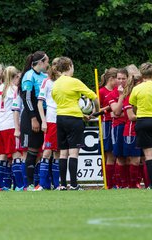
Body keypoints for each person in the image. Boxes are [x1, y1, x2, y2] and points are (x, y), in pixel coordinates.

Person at [52, 57, 99, 190]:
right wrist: (96, 110)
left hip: (60, 118)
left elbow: (60, 101)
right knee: (73, 153)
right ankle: (73, 184)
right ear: (70, 66)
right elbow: (93, 96)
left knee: (62, 154)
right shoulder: (74, 82)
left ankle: (62, 185)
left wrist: (81, 114)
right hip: (74, 120)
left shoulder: (56, 84)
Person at [20, 51, 49, 191]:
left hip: (44, 114)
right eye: (47, 61)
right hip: (31, 116)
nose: (48, 64)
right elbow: (26, 99)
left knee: (45, 150)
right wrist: (33, 118)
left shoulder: (45, 76)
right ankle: (29, 185)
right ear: (40, 62)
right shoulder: (28, 76)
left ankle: (42, 183)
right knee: (31, 151)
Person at [0, 66, 23, 191]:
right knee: (16, 155)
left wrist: (0, 118)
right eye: (18, 78)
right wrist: (17, 127)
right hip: (11, 125)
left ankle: (0, 186)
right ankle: (20, 186)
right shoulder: (15, 90)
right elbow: (16, 109)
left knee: (2, 156)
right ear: (15, 77)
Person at [35, 58, 61, 191]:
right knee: (46, 153)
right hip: (51, 120)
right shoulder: (47, 82)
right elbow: (40, 103)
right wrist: (43, 121)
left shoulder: (65, 82)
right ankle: (42, 184)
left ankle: (57, 184)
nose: (56, 67)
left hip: (63, 119)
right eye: (55, 64)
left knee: (58, 153)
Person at [108, 68, 128, 188]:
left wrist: (122, 112)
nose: (121, 81)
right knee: (120, 157)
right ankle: (120, 184)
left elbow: (134, 111)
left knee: (132, 157)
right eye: (119, 78)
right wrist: (121, 96)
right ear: (115, 79)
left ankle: (131, 184)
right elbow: (116, 111)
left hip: (131, 126)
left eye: (123, 78)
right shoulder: (113, 94)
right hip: (118, 127)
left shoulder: (132, 91)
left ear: (127, 78)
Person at [98, 68, 118, 189]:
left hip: (116, 123)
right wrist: (108, 108)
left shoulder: (117, 91)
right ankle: (108, 184)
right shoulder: (101, 91)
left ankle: (114, 182)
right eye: (117, 79)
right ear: (111, 79)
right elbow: (96, 110)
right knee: (108, 153)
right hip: (106, 124)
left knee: (115, 154)